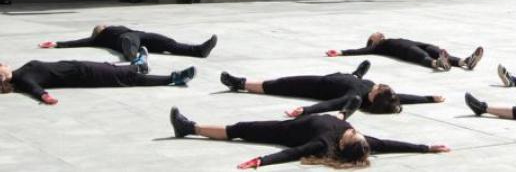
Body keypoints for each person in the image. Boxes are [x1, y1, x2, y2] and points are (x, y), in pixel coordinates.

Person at [169, 106, 449, 169]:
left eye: (353, 134)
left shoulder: (323, 143)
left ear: (343, 144)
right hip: (307, 117)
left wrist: (261, 160)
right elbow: (388, 145)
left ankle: (190, 128)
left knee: (240, 128)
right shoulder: (363, 143)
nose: (355, 130)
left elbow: (290, 153)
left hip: (282, 130)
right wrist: (425, 147)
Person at [220, 60, 444, 116]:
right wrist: (428, 98)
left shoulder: (356, 97)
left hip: (314, 85)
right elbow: (403, 97)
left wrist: (305, 110)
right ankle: (357, 73)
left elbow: (330, 105)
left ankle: (239, 83)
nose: (382, 85)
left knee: (278, 84)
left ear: (375, 97)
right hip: (346, 78)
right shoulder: (375, 92)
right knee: (355, 76)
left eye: (381, 88)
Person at [0, 58, 196, 104]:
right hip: (85, 75)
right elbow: (34, 88)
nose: (1, 63)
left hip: (82, 68)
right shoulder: (23, 78)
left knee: (115, 70)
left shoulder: (21, 72)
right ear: (0, 76)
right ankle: (173, 78)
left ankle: (139, 63)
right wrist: (45, 97)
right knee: (129, 79)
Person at [38, 24, 217, 61]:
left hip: (140, 35)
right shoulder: (99, 37)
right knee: (128, 41)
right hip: (126, 38)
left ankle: (198, 50)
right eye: (101, 26)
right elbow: (79, 42)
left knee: (167, 42)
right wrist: (58, 43)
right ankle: (131, 55)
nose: (104, 24)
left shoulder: (115, 28)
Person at [326, 32, 484, 72]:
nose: (379, 33)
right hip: (406, 50)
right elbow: (361, 51)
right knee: (422, 57)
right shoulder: (378, 46)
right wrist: (341, 52)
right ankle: (438, 64)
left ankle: (465, 62)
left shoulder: (388, 39)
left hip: (419, 44)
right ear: (372, 41)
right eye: (375, 34)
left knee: (437, 51)